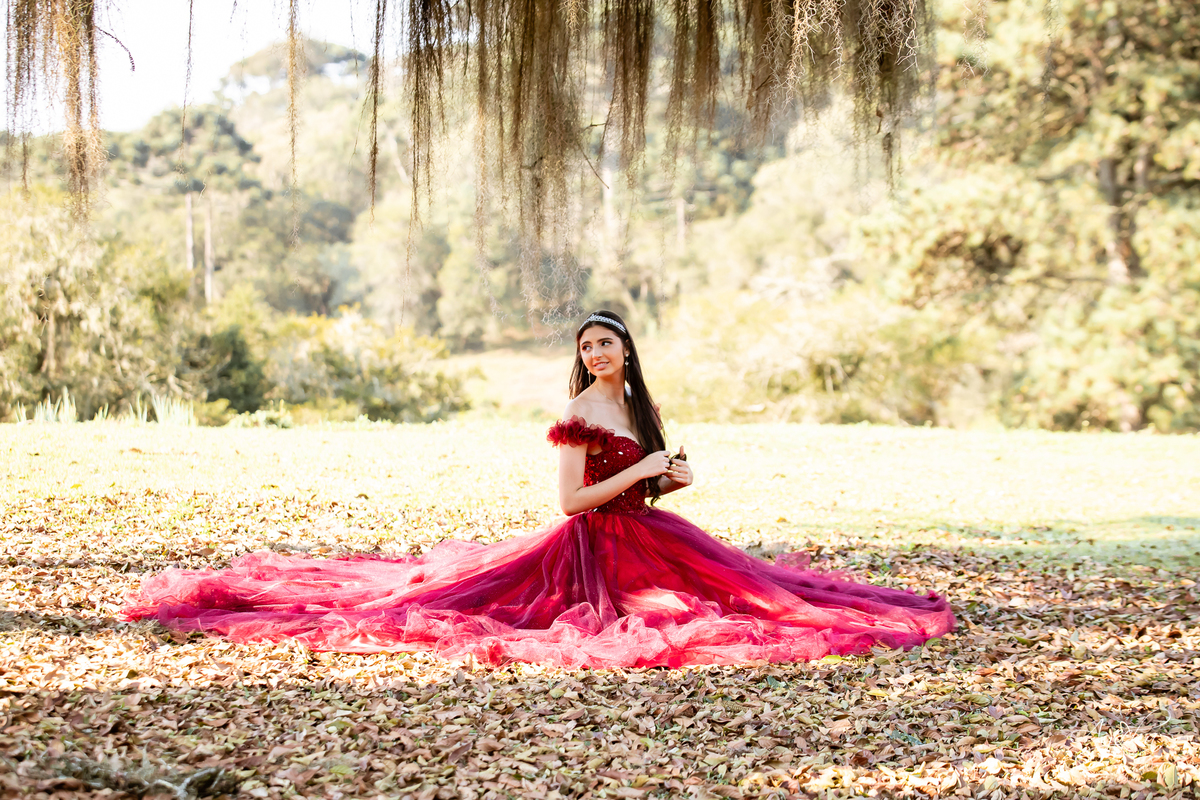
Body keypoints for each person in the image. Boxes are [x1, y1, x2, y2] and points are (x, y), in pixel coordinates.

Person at [124, 310, 955, 668]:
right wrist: (632, 473)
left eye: (608, 344)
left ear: (627, 352)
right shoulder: (579, 408)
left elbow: (642, 486)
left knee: (756, 593)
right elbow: (569, 504)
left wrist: (672, 476)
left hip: (644, 532)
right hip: (590, 549)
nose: (596, 355)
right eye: (587, 345)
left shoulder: (636, 402)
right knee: (676, 620)